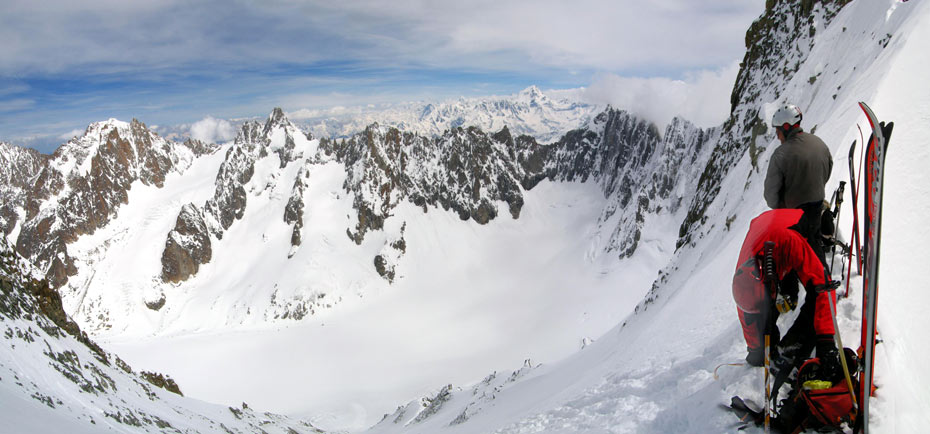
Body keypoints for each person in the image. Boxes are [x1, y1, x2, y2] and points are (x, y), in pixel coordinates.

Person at [732, 209, 840, 380]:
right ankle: (775, 345)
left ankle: (794, 345)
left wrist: (826, 341)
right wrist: (756, 349)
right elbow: (748, 316)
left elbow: (822, 286)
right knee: (763, 320)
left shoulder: (791, 243)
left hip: (796, 225)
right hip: (764, 228)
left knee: (815, 295)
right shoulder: (744, 281)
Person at [763, 104, 833, 265]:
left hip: (793, 216)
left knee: (792, 256)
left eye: (778, 131)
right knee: (815, 246)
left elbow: (771, 196)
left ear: (786, 127)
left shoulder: (780, 155)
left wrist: (782, 205)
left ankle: (797, 280)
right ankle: (822, 276)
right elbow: (827, 171)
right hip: (817, 207)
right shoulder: (819, 143)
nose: (777, 136)